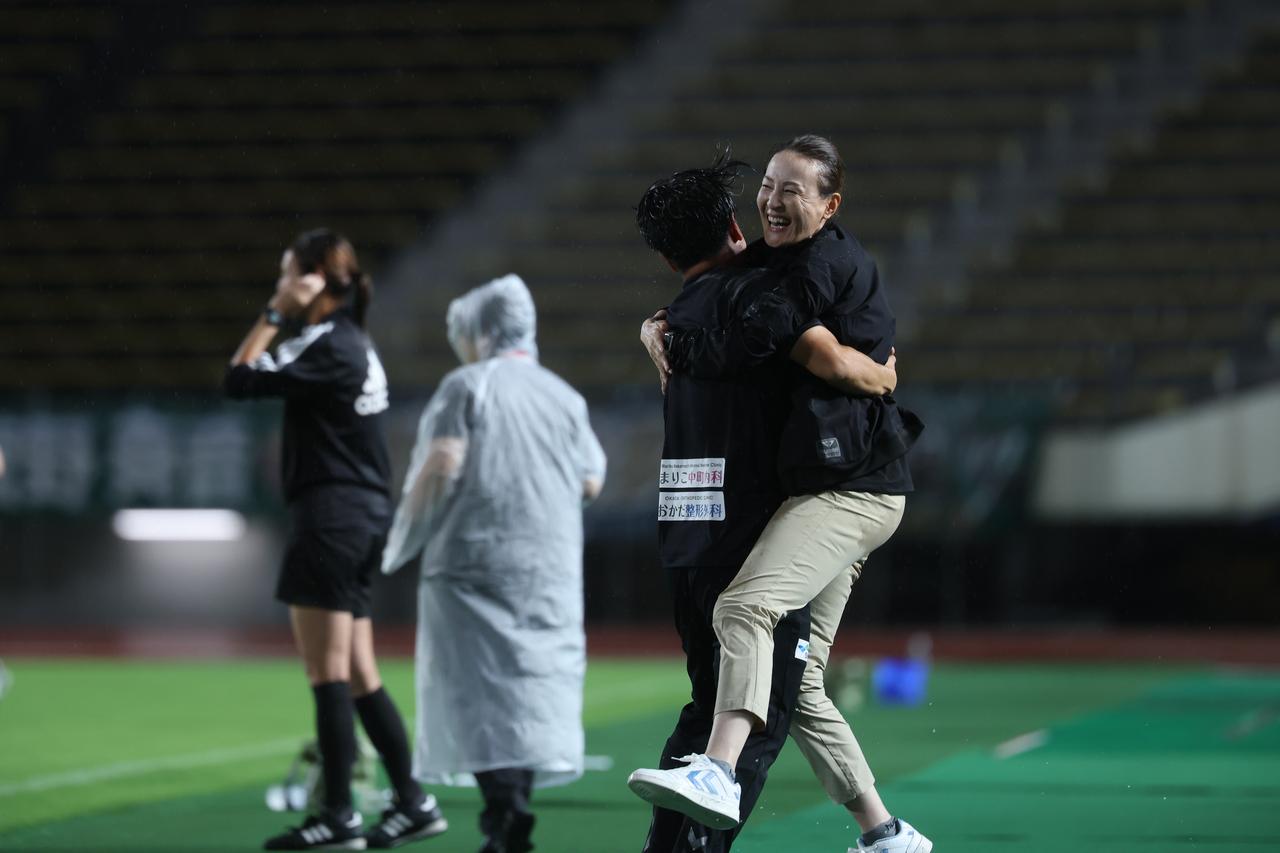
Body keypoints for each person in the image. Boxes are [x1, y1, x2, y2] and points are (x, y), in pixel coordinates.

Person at [630, 137, 931, 853]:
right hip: (829, 491)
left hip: (850, 490)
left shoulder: (815, 269)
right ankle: (886, 834)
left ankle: (717, 771)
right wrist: (657, 326)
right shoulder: (767, 265)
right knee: (805, 685)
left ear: (830, 205)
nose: (772, 198)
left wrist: (883, 378)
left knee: (744, 608)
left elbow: (812, 352)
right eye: (767, 184)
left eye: (792, 189)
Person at [225, 228, 447, 851]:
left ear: (314, 278)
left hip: (331, 518)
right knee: (357, 673)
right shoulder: (352, 342)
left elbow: (238, 377)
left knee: (326, 674)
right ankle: (413, 802)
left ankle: (338, 815)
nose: (281, 284)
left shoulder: (325, 342)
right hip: (358, 516)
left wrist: (274, 313)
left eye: (287, 273)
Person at [380, 274, 607, 853]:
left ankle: (502, 812)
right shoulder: (563, 396)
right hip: (547, 567)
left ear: (481, 330)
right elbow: (590, 479)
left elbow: (441, 466)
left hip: (470, 565)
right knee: (531, 692)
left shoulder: (466, 387)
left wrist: (399, 543)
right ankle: (513, 807)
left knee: (475, 695)